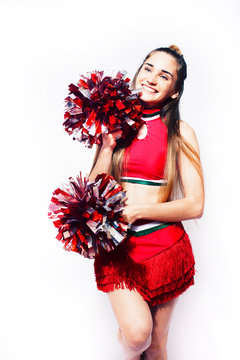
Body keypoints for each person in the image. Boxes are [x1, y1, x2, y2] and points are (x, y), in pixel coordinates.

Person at [88, 45, 204, 360]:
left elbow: (195, 205)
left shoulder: (180, 132)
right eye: (148, 68)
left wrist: (139, 210)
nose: (152, 79)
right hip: (121, 251)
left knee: (155, 347)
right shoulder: (113, 124)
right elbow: (92, 193)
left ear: (175, 92)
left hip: (166, 250)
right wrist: (108, 146)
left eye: (164, 75)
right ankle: (129, 344)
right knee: (137, 336)